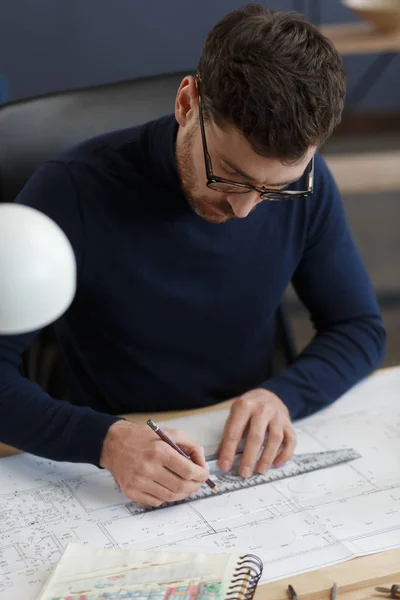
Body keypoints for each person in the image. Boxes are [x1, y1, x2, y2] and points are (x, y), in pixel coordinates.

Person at [0, 5, 385, 508]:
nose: (245, 209)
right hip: (121, 450)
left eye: (276, 189)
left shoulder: (310, 186)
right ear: (187, 103)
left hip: (240, 445)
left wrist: (284, 395)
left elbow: (359, 327)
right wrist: (105, 441)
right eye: (228, 174)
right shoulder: (71, 191)